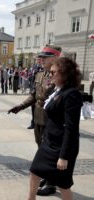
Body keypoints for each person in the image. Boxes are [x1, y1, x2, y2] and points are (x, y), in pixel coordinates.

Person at [8, 45, 62, 196]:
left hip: (51, 120)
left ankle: (51, 184)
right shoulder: (40, 74)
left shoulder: (61, 76)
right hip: (38, 118)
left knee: (50, 153)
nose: (41, 59)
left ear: (54, 58)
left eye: (44, 57)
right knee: (41, 149)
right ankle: (48, 176)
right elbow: (34, 95)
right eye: (41, 57)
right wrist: (20, 106)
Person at [27, 57, 83, 200]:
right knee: (34, 171)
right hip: (49, 143)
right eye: (50, 72)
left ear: (64, 74)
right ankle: (30, 198)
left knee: (63, 185)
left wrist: (63, 156)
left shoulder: (71, 94)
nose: (50, 74)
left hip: (62, 147)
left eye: (53, 72)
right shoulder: (58, 90)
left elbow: (71, 128)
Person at [27, 58, 43, 129]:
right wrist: (32, 75)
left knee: (40, 108)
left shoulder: (43, 68)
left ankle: (40, 124)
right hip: (33, 90)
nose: (38, 61)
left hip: (41, 91)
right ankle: (33, 123)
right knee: (33, 107)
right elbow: (29, 77)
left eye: (40, 59)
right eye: (37, 59)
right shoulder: (33, 68)